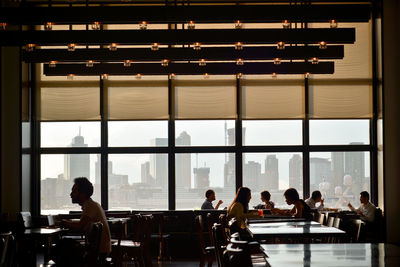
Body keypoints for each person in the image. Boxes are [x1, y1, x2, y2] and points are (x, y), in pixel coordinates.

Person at [62, 177, 111, 257]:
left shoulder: (89, 206)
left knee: (63, 247)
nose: (71, 194)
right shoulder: (92, 204)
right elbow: (83, 223)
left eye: (74, 191)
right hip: (101, 249)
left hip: (97, 252)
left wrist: (63, 223)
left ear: (83, 194)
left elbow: (80, 226)